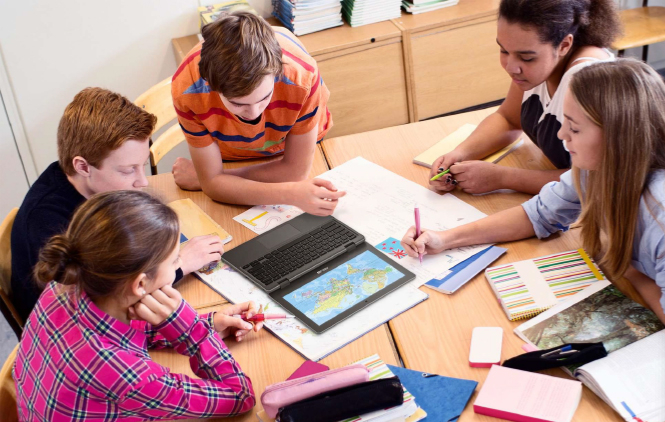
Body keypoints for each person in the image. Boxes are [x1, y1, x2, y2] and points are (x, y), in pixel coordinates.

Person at [403, 59, 665, 324]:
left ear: (619, 137)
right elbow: (537, 214)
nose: (562, 135)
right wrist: (444, 239)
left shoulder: (659, 216)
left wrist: (631, 272)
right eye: (565, 122)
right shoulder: (597, 167)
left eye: (574, 128)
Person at [14, 190, 260, 420]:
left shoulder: (68, 284)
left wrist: (205, 323)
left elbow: (121, 330)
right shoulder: (129, 377)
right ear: (140, 284)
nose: (178, 265)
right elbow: (240, 395)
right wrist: (194, 334)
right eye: (175, 260)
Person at [11, 88, 224, 322]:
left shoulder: (94, 186)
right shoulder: (48, 223)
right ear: (82, 167)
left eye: (142, 164)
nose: (142, 182)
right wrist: (180, 263)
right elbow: (103, 307)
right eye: (127, 170)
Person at [429, 0, 620, 195]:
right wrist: (459, 154)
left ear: (564, 45)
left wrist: (502, 178)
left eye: (526, 57)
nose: (511, 67)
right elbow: (509, 120)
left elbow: (596, 180)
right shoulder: (535, 69)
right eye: (504, 50)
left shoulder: (588, 78)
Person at [171, 12, 345, 216]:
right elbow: (212, 185)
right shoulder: (187, 88)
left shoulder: (302, 77)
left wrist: (216, 179)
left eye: (265, 97)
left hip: (293, 145)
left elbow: (296, 172)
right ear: (210, 85)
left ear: (278, 71)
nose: (254, 113)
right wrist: (289, 193)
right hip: (234, 153)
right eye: (237, 103)